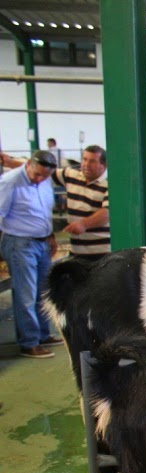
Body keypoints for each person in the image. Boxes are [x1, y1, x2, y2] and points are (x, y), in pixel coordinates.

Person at [0, 150, 62, 358]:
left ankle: (43, 334)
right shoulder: (10, 182)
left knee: (42, 292)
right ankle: (29, 342)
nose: (39, 179)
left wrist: (50, 235)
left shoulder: (45, 181)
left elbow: (45, 211)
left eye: (44, 176)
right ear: (28, 165)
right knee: (25, 294)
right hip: (19, 243)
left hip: (42, 242)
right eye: (36, 174)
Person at [51, 144, 109, 260]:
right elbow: (45, 171)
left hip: (102, 252)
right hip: (77, 251)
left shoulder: (110, 183)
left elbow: (107, 213)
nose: (86, 164)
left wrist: (83, 224)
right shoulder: (71, 175)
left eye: (92, 161)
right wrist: (18, 165)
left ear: (103, 165)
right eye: (84, 159)